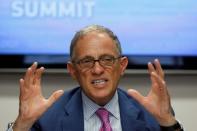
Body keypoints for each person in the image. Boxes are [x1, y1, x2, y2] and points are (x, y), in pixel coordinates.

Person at [8, 25, 183, 131]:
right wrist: (21, 125)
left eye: (107, 59)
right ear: (73, 70)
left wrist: (168, 123)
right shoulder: (46, 117)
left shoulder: (152, 114)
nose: (98, 69)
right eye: (86, 61)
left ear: (122, 66)